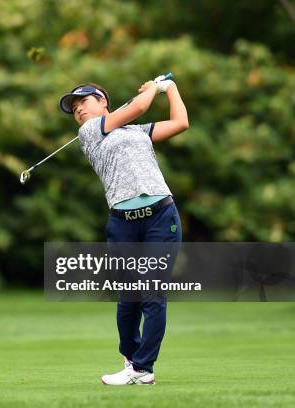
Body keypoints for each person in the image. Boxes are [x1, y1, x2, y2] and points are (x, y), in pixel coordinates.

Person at [58, 77, 189, 385]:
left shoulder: (136, 131)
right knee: (129, 297)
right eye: (74, 108)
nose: (78, 111)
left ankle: (144, 369)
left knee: (152, 293)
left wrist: (170, 89)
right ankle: (131, 362)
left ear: (104, 101)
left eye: (84, 102)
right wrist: (152, 89)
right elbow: (140, 105)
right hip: (123, 223)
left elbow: (180, 122)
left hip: (161, 217)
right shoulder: (89, 132)